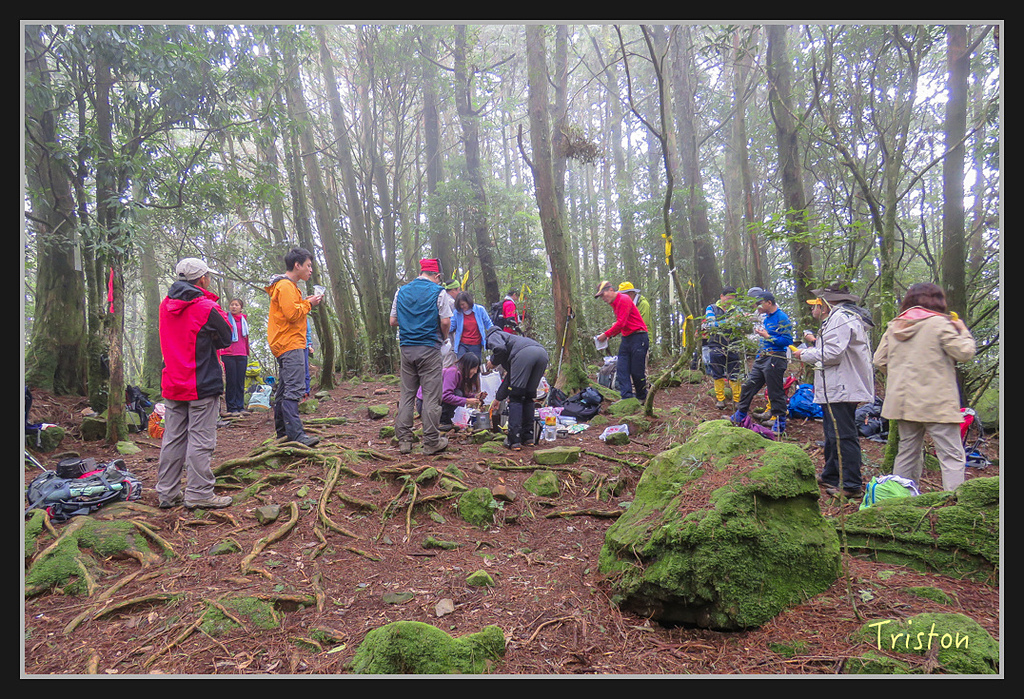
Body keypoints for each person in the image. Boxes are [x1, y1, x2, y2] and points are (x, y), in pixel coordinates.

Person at [872, 283, 976, 491]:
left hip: (903, 402)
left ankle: (901, 501)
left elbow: (879, 360)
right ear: (938, 301)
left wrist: (900, 377)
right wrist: (963, 330)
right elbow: (965, 353)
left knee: (908, 452)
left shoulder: (895, 326)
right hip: (937, 402)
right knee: (951, 455)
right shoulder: (939, 323)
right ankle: (954, 505)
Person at [156, 258, 234, 509]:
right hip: (201, 383)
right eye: (208, 276)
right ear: (202, 280)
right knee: (201, 440)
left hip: (173, 383)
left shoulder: (165, 305)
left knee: (173, 438)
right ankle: (199, 493)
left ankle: (167, 493)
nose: (209, 280)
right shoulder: (205, 307)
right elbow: (227, 337)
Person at [792, 285, 875, 497]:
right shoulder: (840, 317)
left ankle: (851, 484)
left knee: (843, 435)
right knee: (831, 433)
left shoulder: (841, 318)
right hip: (836, 386)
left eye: (819, 302)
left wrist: (804, 355)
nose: (815, 307)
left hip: (843, 386)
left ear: (829, 302)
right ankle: (831, 474)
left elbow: (832, 354)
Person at [391, 258, 453, 455]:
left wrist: (410, 325)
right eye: (438, 278)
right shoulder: (439, 292)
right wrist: (443, 338)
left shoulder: (401, 291)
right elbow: (445, 322)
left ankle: (404, 441)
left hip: (407, 349)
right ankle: (431, 442)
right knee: (431, 397)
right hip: (429, 349)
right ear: (436, 275)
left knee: (407, 394)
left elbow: (393, 320)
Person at [266, 248, 323, 448]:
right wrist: (309, 305)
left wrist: (304, 302)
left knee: (284, 389)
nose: (310, 270)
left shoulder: (288, 287)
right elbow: (292, 314)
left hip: (288, 342)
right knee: (293, 389)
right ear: (297, 265)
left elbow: (289, 311)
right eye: (308, 265)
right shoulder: (286, 286)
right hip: (290, 343)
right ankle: (296, 435)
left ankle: (283, 432)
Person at [731, 290, 793, 434]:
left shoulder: (782, 317)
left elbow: (787, 341)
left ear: (768, 303)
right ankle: (740, 415)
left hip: (776, 357)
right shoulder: (764, 317)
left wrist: (768, 336)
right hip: (762, 358)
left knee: (775, 391)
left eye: (759, 304)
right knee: (748, 385)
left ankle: (779, 423)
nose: (757, 307)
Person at [485, 325, 549, 450]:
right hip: (542, 354)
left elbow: (499, 348)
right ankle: (528, 437)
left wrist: (493, 361)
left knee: (516, 397)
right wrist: (498, 399)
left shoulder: (494, 334)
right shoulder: (514, 341)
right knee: (528, 396)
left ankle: (514, 440)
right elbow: (509, 379)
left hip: (525, 355)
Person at [595, 280, 649, 401]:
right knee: (621, 369)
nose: (603, 298)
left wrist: (606, 334)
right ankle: (626, 398)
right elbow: (623, 324)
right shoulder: (614, 304)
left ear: (611, 290)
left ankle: (642, 397)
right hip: (627, 338)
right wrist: (610, 335)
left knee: (637, 371)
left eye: (603, 295)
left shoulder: (623, 299)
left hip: (639, 337)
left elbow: (621, 323)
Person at [418, 352, 484, 430]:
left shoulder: (460, 375)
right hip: (425, 404)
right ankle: (440, 422)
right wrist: (466, 400)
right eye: (474, 368)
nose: (475, 372)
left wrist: (475, 397)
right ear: (467, 366)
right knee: (457, 393)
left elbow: (463, 392)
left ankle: (446, 421)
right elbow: (445, 395)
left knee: (459, 393)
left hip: (433, 403)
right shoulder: (452, 372)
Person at [704, 286, 744, 410]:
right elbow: (711, 325)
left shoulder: (737, 309)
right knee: (717, 372)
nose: (730, 301)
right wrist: (729, 321)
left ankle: (737, 399)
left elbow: (740, 323)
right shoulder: (711, 308)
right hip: (716, 343)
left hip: (734, 344)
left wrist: (729, 322)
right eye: (728, 298)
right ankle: (720, 399)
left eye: (733, 299)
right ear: (721, 296)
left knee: (735, 372)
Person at [218, 298, 250, 417]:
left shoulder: (244, 319)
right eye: (232, 305)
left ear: (241, 308)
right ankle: (231, 408)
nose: (234, 307)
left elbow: (246, 337)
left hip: (242, 353)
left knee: (240, 381)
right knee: (231, 381)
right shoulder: (225, 318)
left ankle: (240, 406)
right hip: (228, 353)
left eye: (236, 305)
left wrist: (247, 351)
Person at [450, 290, 493, 362]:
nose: (462, 306)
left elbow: (488, 324)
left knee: (474, 367)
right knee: (461, 365)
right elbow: (451, 326)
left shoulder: (480, 310)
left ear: (468, 301)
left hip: (476, 344)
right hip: (462, 344)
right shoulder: (457, 313)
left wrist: (494, 333)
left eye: (463, 304)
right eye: (460, 305)